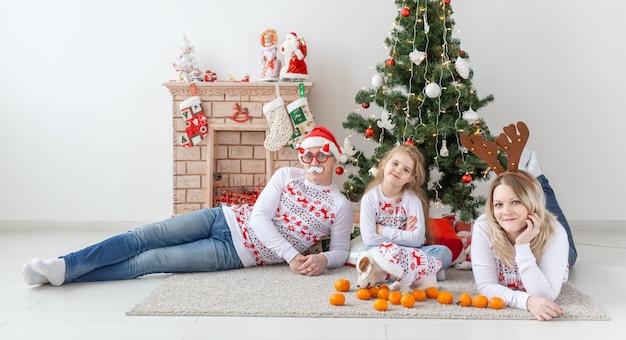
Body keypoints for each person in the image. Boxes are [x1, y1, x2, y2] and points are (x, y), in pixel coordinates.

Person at [21, 126, 354, 286]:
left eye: (321, 154)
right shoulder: (286, 175)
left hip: (235, 254)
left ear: (333, 158)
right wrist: (292, 255)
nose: (313, 160)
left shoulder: (338, 206)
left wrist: (323, 258)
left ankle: (66, 276)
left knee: (149, 261)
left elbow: (340, 252)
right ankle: (64, 265)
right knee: (142, 235)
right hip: (221, 217)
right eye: (307, 153)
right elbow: (259, 217)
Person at [471, 148, 576, 321]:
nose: (506, 212)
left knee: (551, 212)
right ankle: (523, 177)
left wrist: (523, 246)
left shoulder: (555, 233)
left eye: (515, 201)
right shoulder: (483, 226)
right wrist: (526, 301)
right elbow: (486, 286)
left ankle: (537, 176)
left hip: (548, 235)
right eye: (498, 204)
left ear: (529, 204)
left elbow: (545, 295)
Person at [357, 145, 452, 279]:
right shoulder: (370, 198)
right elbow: (369, 239)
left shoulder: (412, 200)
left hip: (410, 252)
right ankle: (422, 273)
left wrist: (382, 229)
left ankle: (391, 274)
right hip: (384, 251)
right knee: (362, 253)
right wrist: (406, 236)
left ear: (410, 178)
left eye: (406, 169)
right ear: (384, 164)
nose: (398, 170)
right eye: (395, 163)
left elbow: (417, 240)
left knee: (444, 253)